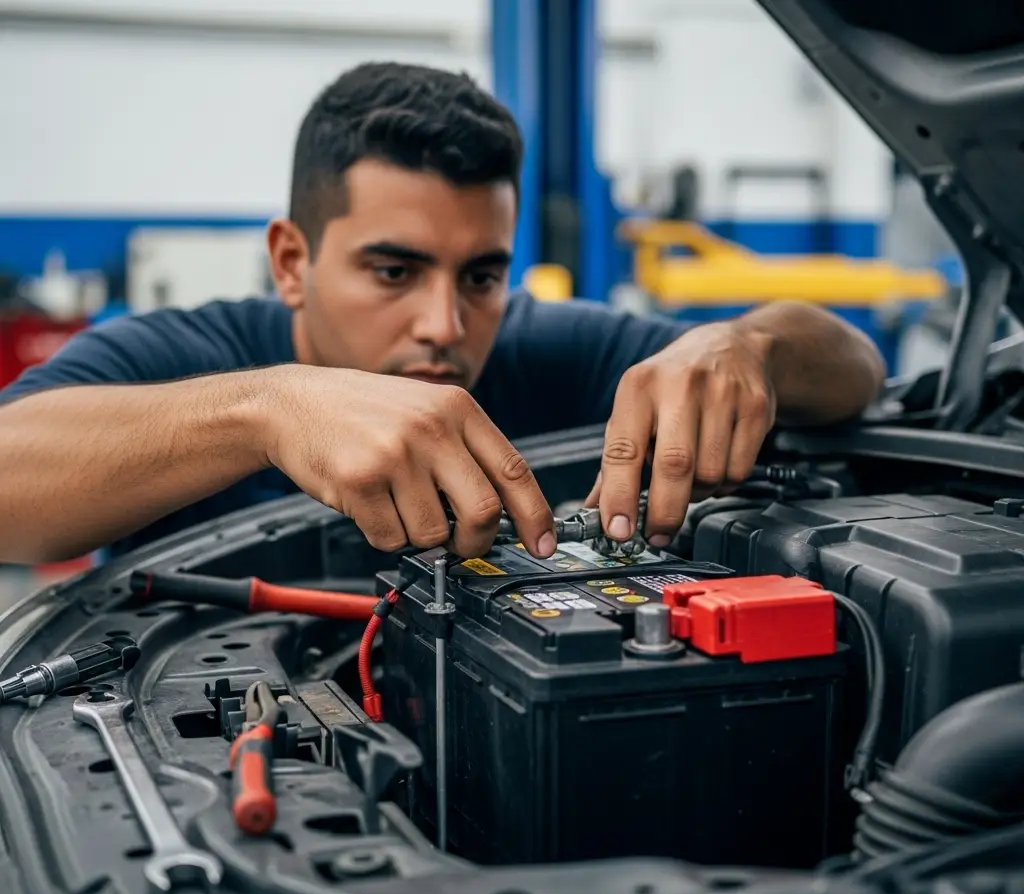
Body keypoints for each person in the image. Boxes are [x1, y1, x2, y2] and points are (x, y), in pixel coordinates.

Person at [0, 62, 885, 567]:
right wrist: (270, 411)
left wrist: (751, 346)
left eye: (480, 276)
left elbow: (855, 369)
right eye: (394, 270)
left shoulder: (553, 353)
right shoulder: (196, 355)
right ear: (291, 263)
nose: (444, 326)